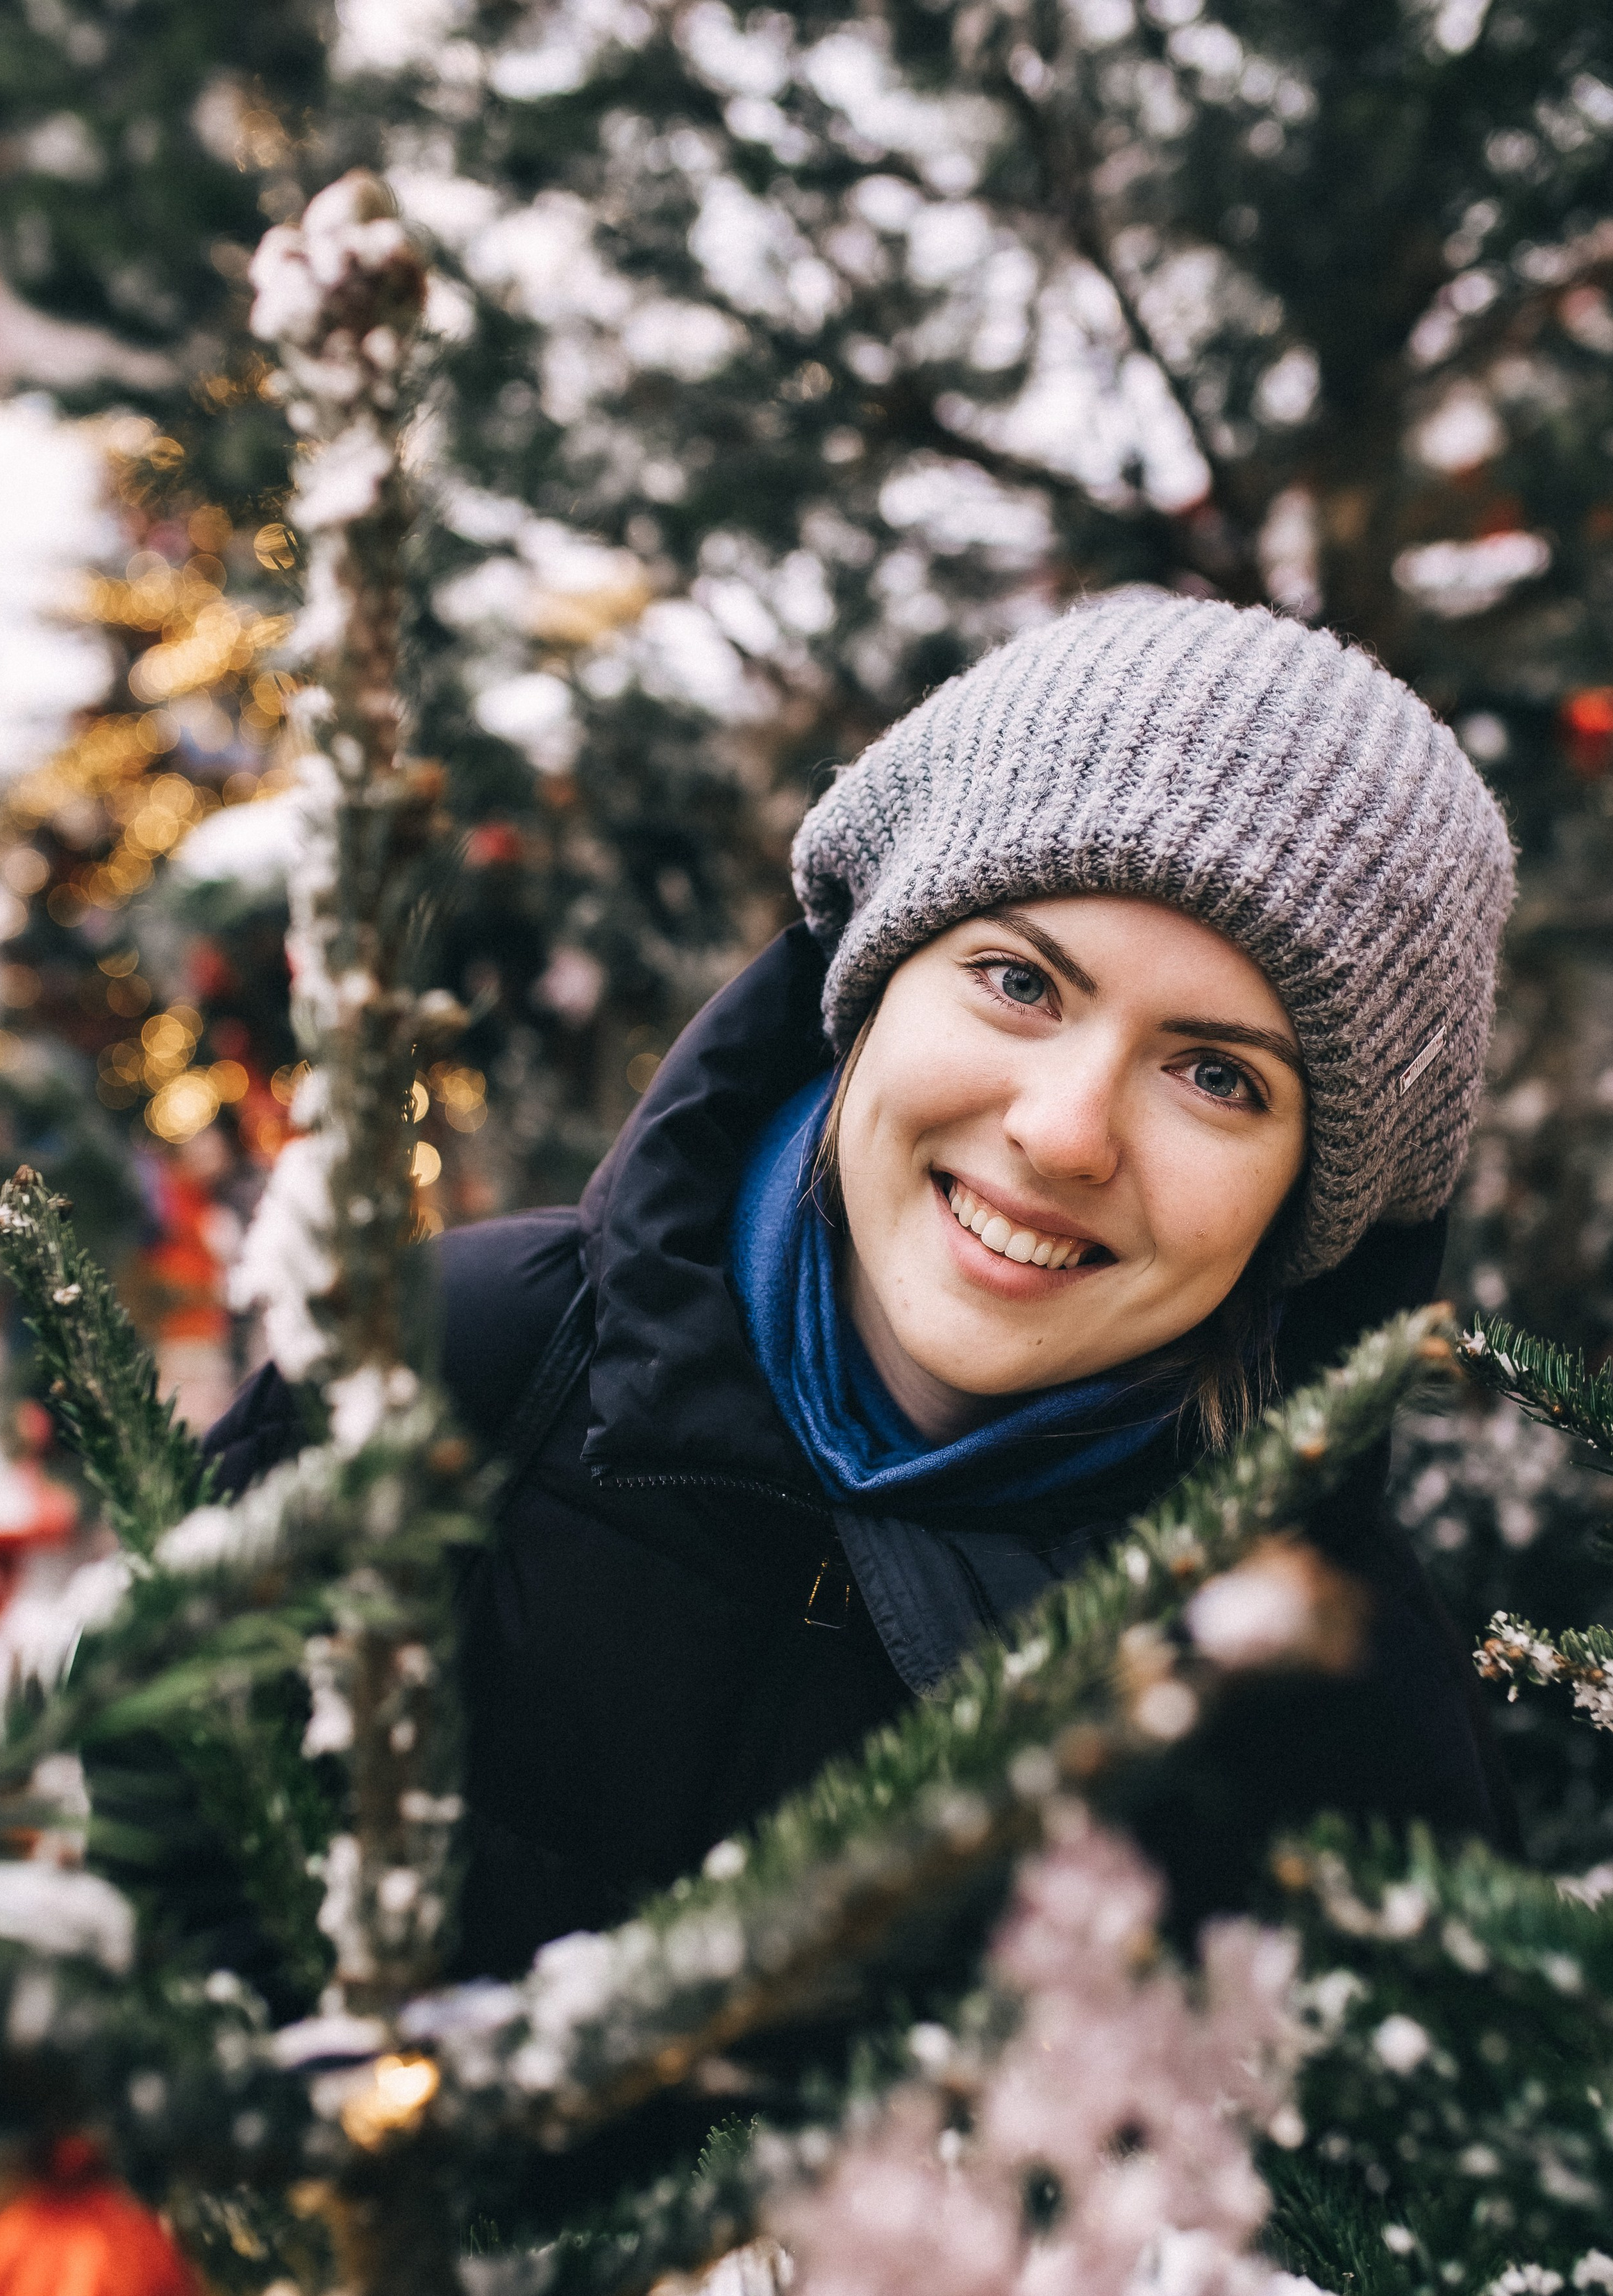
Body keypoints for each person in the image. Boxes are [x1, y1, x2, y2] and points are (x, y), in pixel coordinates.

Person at [208, 589, 1520, 1977]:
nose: (1062, 1132)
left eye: (1215, 1077)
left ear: (1308, 1205)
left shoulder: (1341, 1730)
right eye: (1018, 981)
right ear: (871, 975)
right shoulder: (440, 1376)